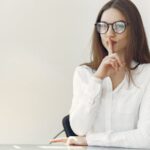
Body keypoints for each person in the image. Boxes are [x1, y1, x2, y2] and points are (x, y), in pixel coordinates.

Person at [49, 0, 150, 148]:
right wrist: (97, 79)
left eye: (119, 26)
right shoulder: (84, 73)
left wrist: (90, 140)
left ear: (133, 30)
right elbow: (78, 129)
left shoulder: (146, 74)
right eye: (103, 26)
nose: (109, 33)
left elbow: (146, 138)